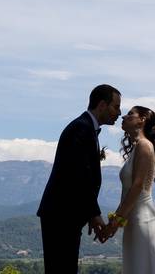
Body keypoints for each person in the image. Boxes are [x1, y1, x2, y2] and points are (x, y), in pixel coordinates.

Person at [37, 84, 121, 273]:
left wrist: (89, 213)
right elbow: (79, 176)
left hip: (64, 213)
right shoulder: (81, 129)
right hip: (61, 213)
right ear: (101, 105)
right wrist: (94, 213)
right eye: (115, 106)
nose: (119, 112)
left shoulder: (85, 128)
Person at [101, 105, 155, 274]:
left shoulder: (144, 146)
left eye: (130, 114)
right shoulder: (138, 147)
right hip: (134, 220)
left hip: (143, 220)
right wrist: (117, 220)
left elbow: (137, 186)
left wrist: (116, 221)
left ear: (142, 120)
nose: (123, 117)